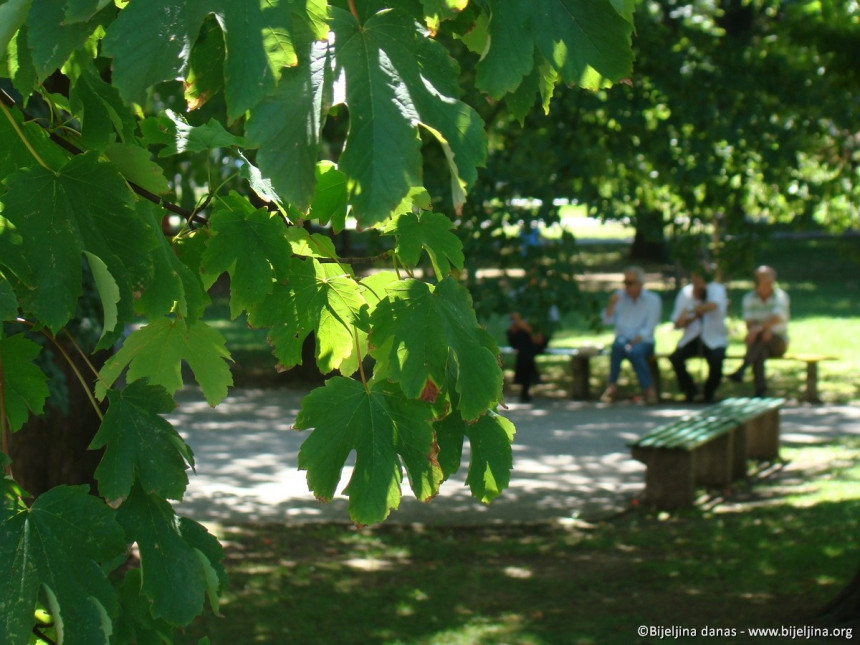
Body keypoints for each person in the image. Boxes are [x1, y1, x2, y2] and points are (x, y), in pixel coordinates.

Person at [600, 266, 662, 404]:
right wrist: (611, 304)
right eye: (625, 283)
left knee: (635, 352)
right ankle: (612, 386)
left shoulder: (652, 300)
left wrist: (635, 340)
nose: (626, 287)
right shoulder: (618, 298)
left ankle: (648, 390)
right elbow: (606, 321)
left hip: (643, 340)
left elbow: (650, 328)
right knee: (617, 346)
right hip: (623, 339)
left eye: (630, 283)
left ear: (640, 284)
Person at [668, 268, 728, 403]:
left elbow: (713, 305)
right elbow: (678, 322)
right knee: (676, 358)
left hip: (714, 337)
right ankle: (689, 389)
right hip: (692, 337)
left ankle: (709, 392)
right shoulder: (685, 293)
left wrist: (693, 309)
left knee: (716, 359)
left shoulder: (716, 289)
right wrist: (690, 317)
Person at [729, 265, 790, 397]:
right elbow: (749, 322)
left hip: (778, 341)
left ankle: (742, 368)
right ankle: (760, 391)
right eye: (760, 277)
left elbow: (777, 318)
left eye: (767, 277)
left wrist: (760, 329)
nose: (765, 280)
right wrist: (760, 331)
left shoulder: (780, 296)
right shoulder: (749, 298)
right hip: (760, 340)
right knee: (760, 349)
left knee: (761, 339)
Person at [507, 312, 548, 403]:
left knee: (525, 354)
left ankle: (524, 388)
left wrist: (525, 328)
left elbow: (539, 338)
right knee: (525, 351)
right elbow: (513, 327)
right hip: (524, 343)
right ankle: (532, 378)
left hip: (531, 344)